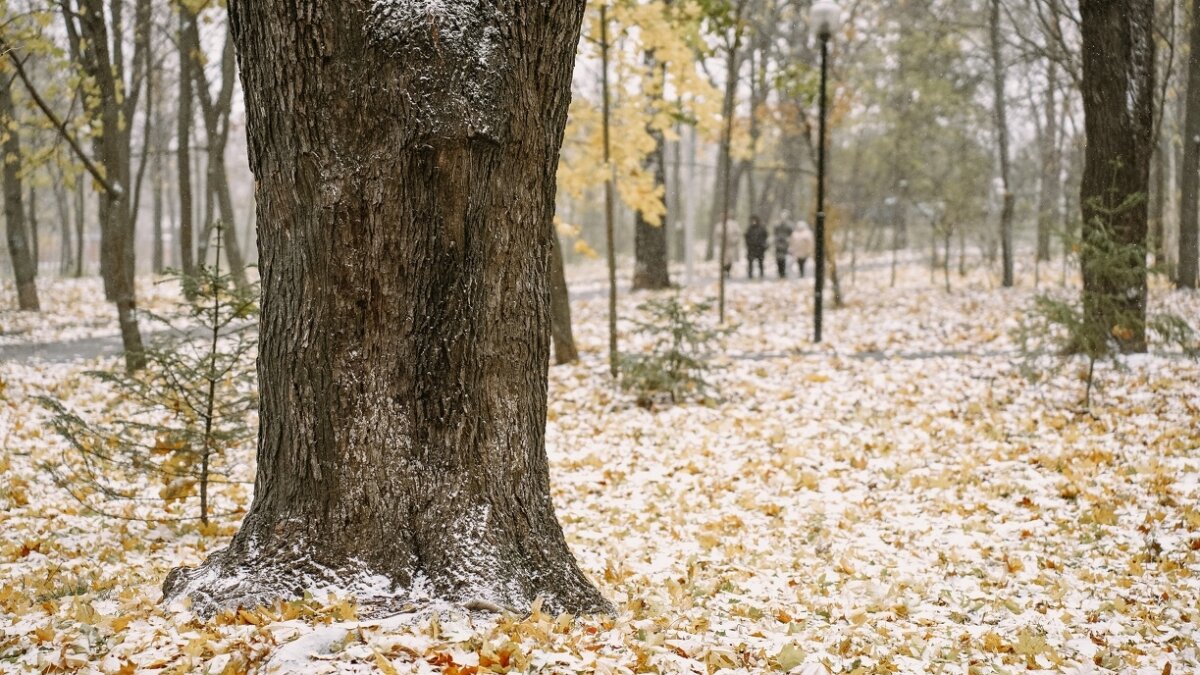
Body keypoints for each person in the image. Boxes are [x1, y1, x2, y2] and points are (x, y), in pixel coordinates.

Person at [744, 215, 768, 279]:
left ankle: (761, 273)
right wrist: (748, 244)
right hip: (751, 248)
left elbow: (765, 236)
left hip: (760, 248)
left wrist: (762, 244)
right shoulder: (749, 228)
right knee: (750, 262)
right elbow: (746, 237)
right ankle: (750, 274)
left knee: (760, 262)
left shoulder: (762, 228)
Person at [772, 211, 794, 278]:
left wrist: (789, 240)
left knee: (785, 259)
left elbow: (791, 234)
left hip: (785, 244)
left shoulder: (790, 225)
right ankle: (780, 272)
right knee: (778, 259)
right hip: (778, 244)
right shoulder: (776, 225)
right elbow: (775, 233)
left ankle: (783, 273)